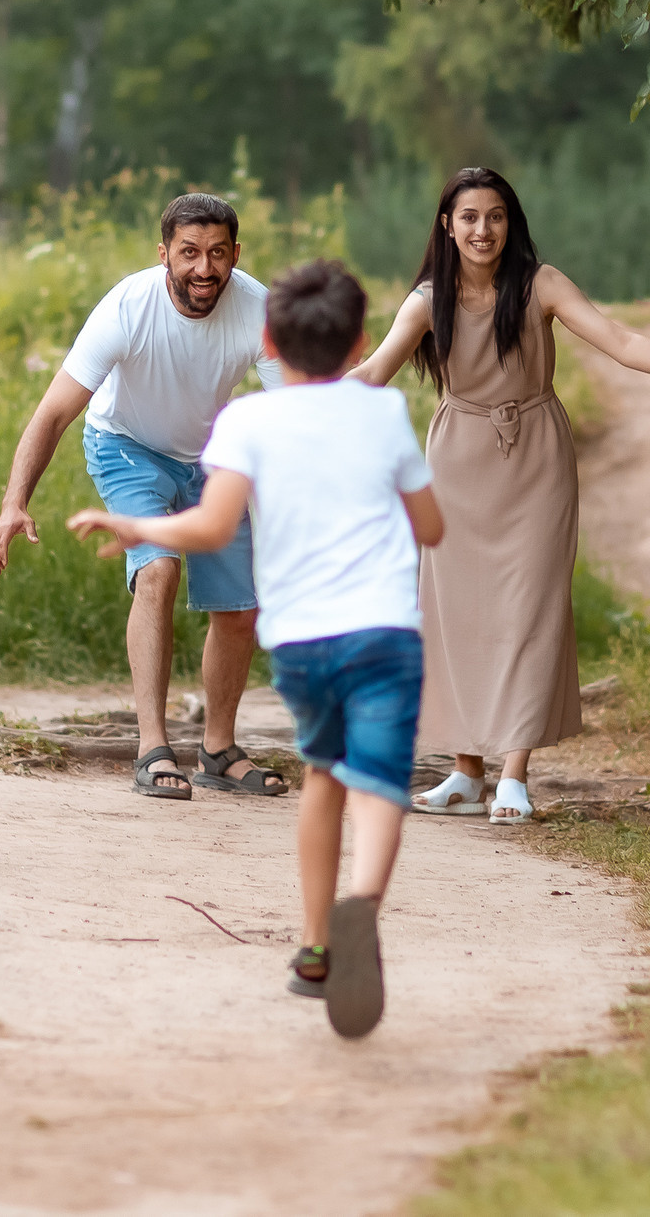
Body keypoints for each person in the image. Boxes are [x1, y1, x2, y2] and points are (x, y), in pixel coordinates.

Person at [68, 259, 443, 1039]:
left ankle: (314, 944)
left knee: (325, 779)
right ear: (362, 340)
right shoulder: (381, 416)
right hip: (384, 630)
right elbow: (431, 525)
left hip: (306, 639)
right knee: (378, 783)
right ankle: (362, 905)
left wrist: (138, 527)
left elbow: (207, 528)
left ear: (267, 338)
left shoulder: (244, 422)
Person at [349, 167, 650, 825]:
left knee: (531, 606)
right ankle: (464, 770)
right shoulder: (425, 301)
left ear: (509, 221)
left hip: (537, 459)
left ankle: (513, 773)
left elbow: (621, 341)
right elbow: (374, 372)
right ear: (446, 225)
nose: (483, 229)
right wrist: (304, 402)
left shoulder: (540, 284)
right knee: (457, 610)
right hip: (458, 459)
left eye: (495, 215)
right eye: (469, 217)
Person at [0, 191, 289, 802]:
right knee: (157, 571)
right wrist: (14, 502)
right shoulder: (127, 307)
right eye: (188, 254)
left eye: (217, 254)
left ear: (236, 253)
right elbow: (52, 414)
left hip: (211, 455)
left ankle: (218, 750)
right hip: (125, 445)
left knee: (240, 606)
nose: (203, 269)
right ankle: (153, 744)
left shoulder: (259, 310)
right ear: (164, 255)